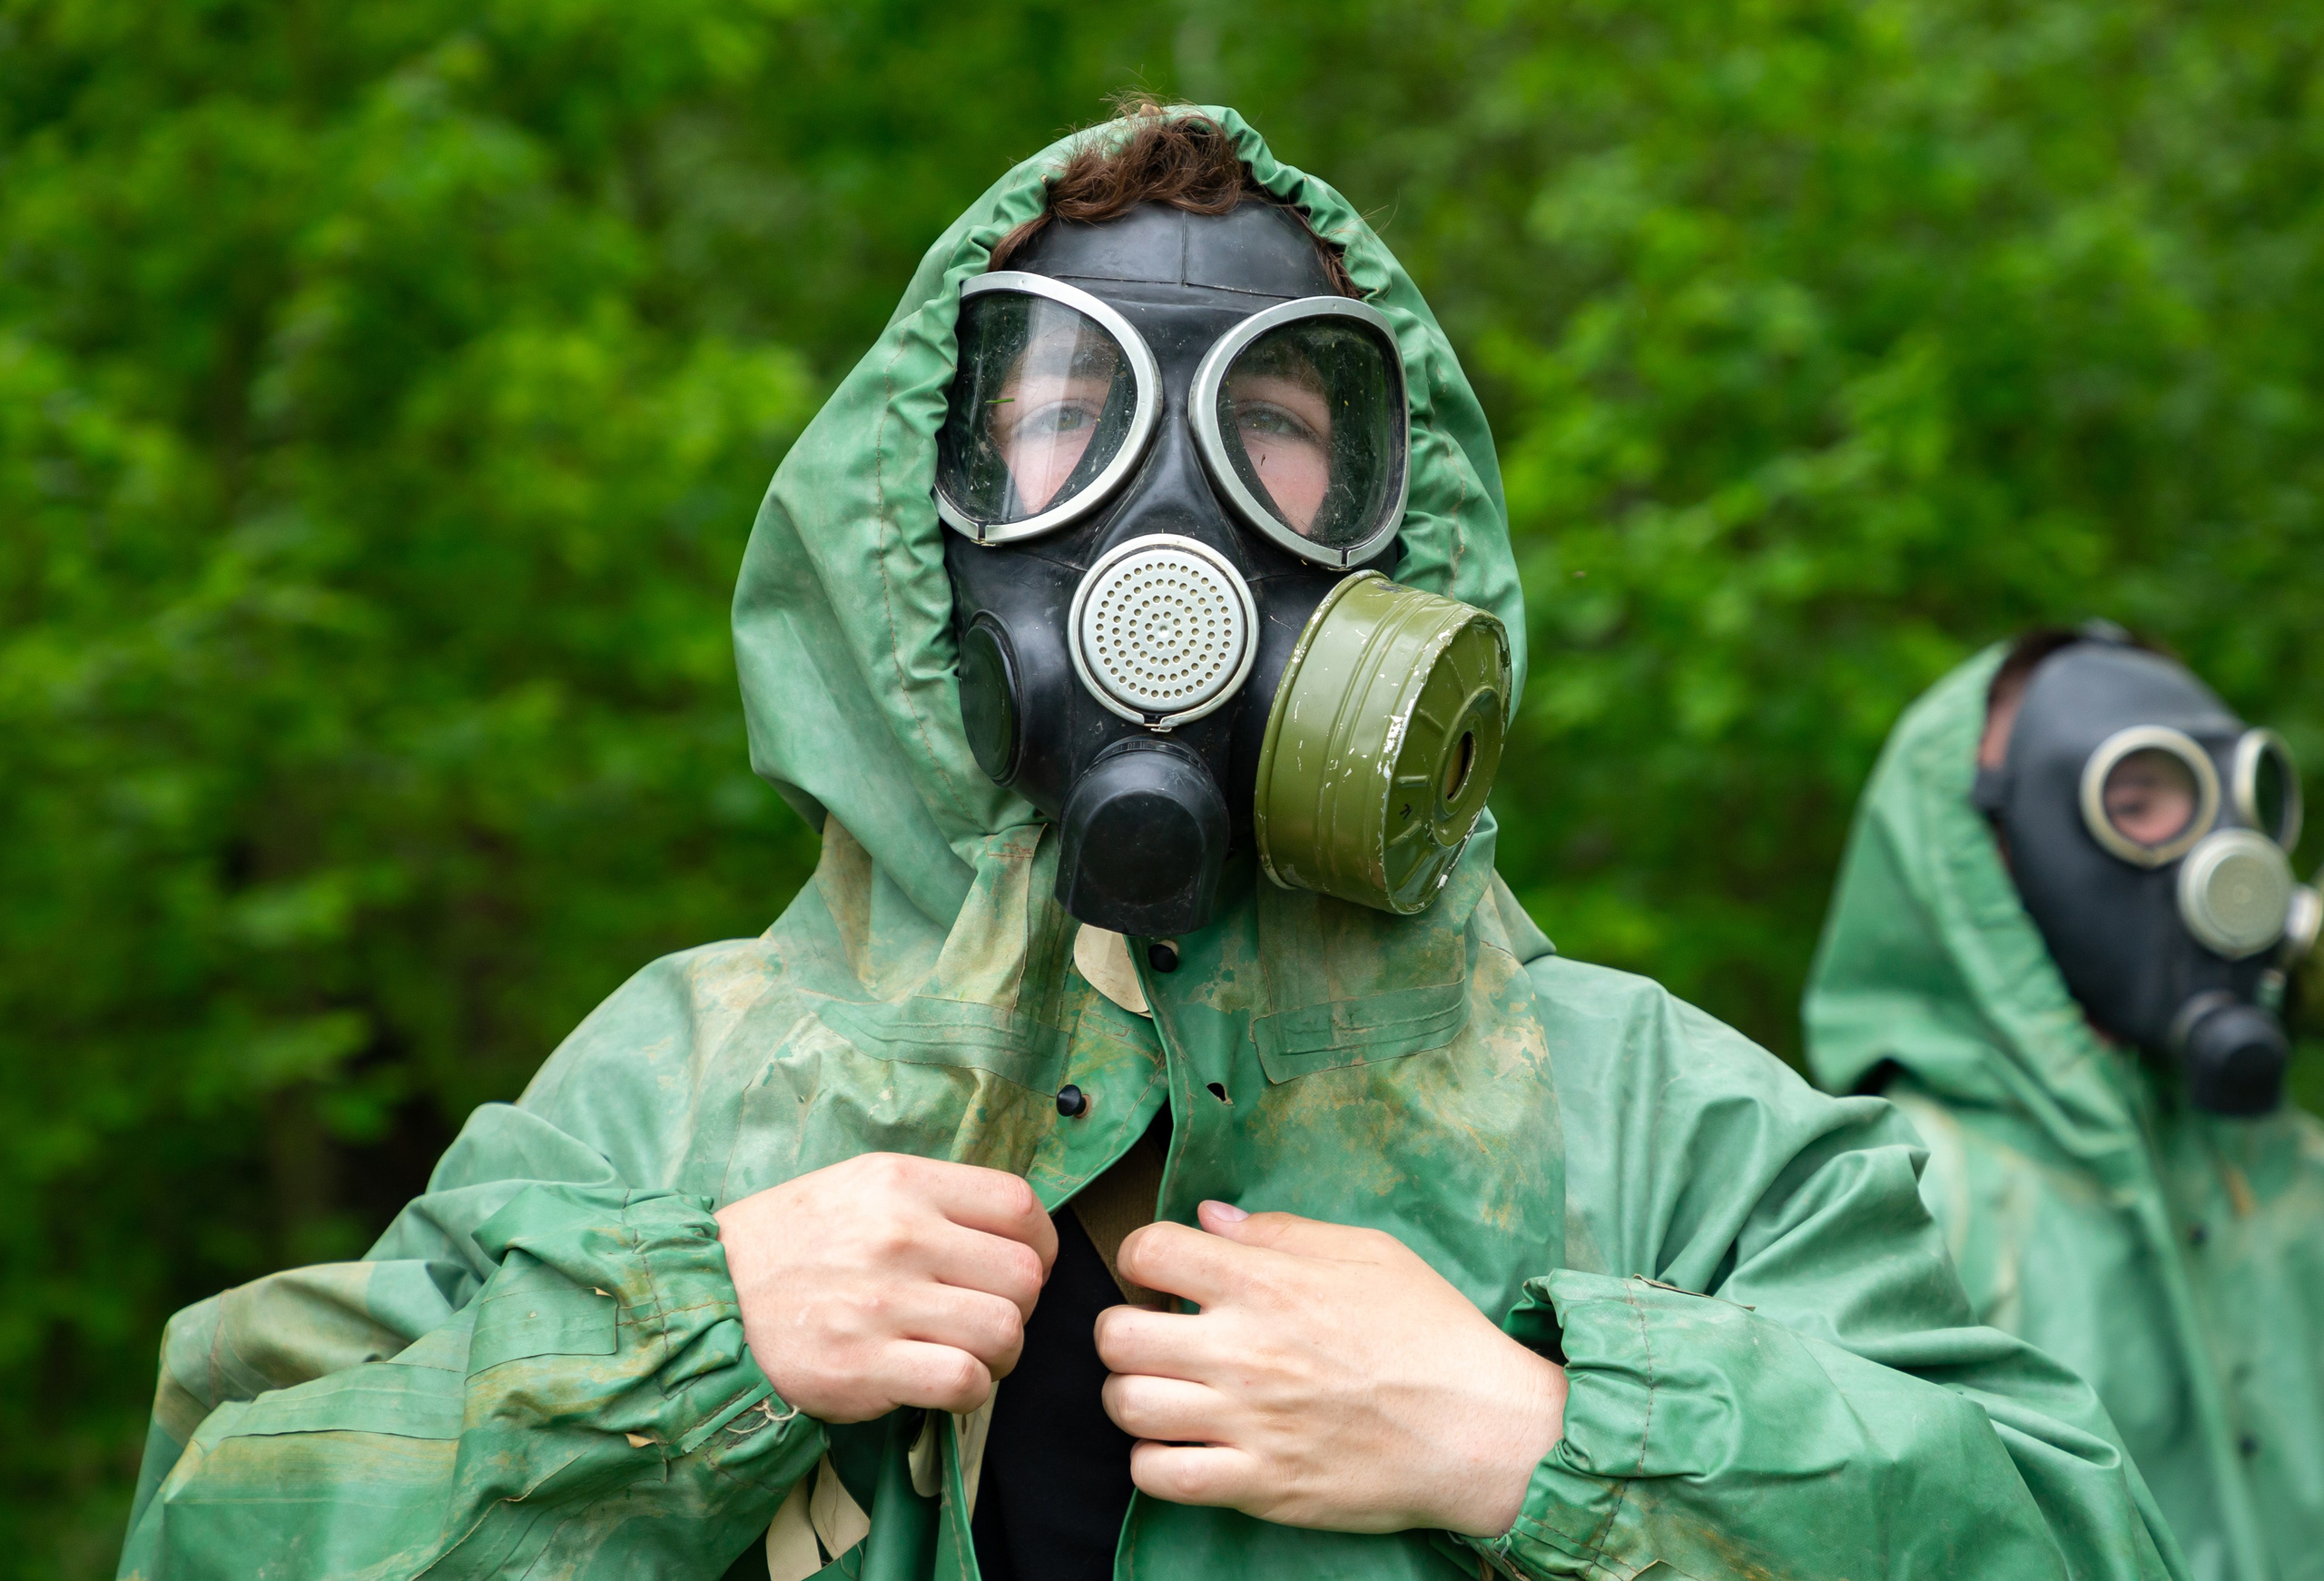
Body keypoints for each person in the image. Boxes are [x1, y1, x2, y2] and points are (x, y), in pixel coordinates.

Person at [119, 104, 2180, 1581]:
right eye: (1064, 428)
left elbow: (2083, 1528)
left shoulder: (1656, 1124)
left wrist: (1537, 1437)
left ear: (1395, 543)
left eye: (1278, 432)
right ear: (921, 548)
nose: (1169, 527)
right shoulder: (677, 1089)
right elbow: (217, 1523)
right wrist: (681, 1346)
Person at [1806, 623, 2324, 1581]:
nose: (2221, 860)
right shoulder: (1890, 1213)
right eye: (2138, 804)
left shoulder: (2294, 1176)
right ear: (1975, 853)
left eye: (2239, 805)